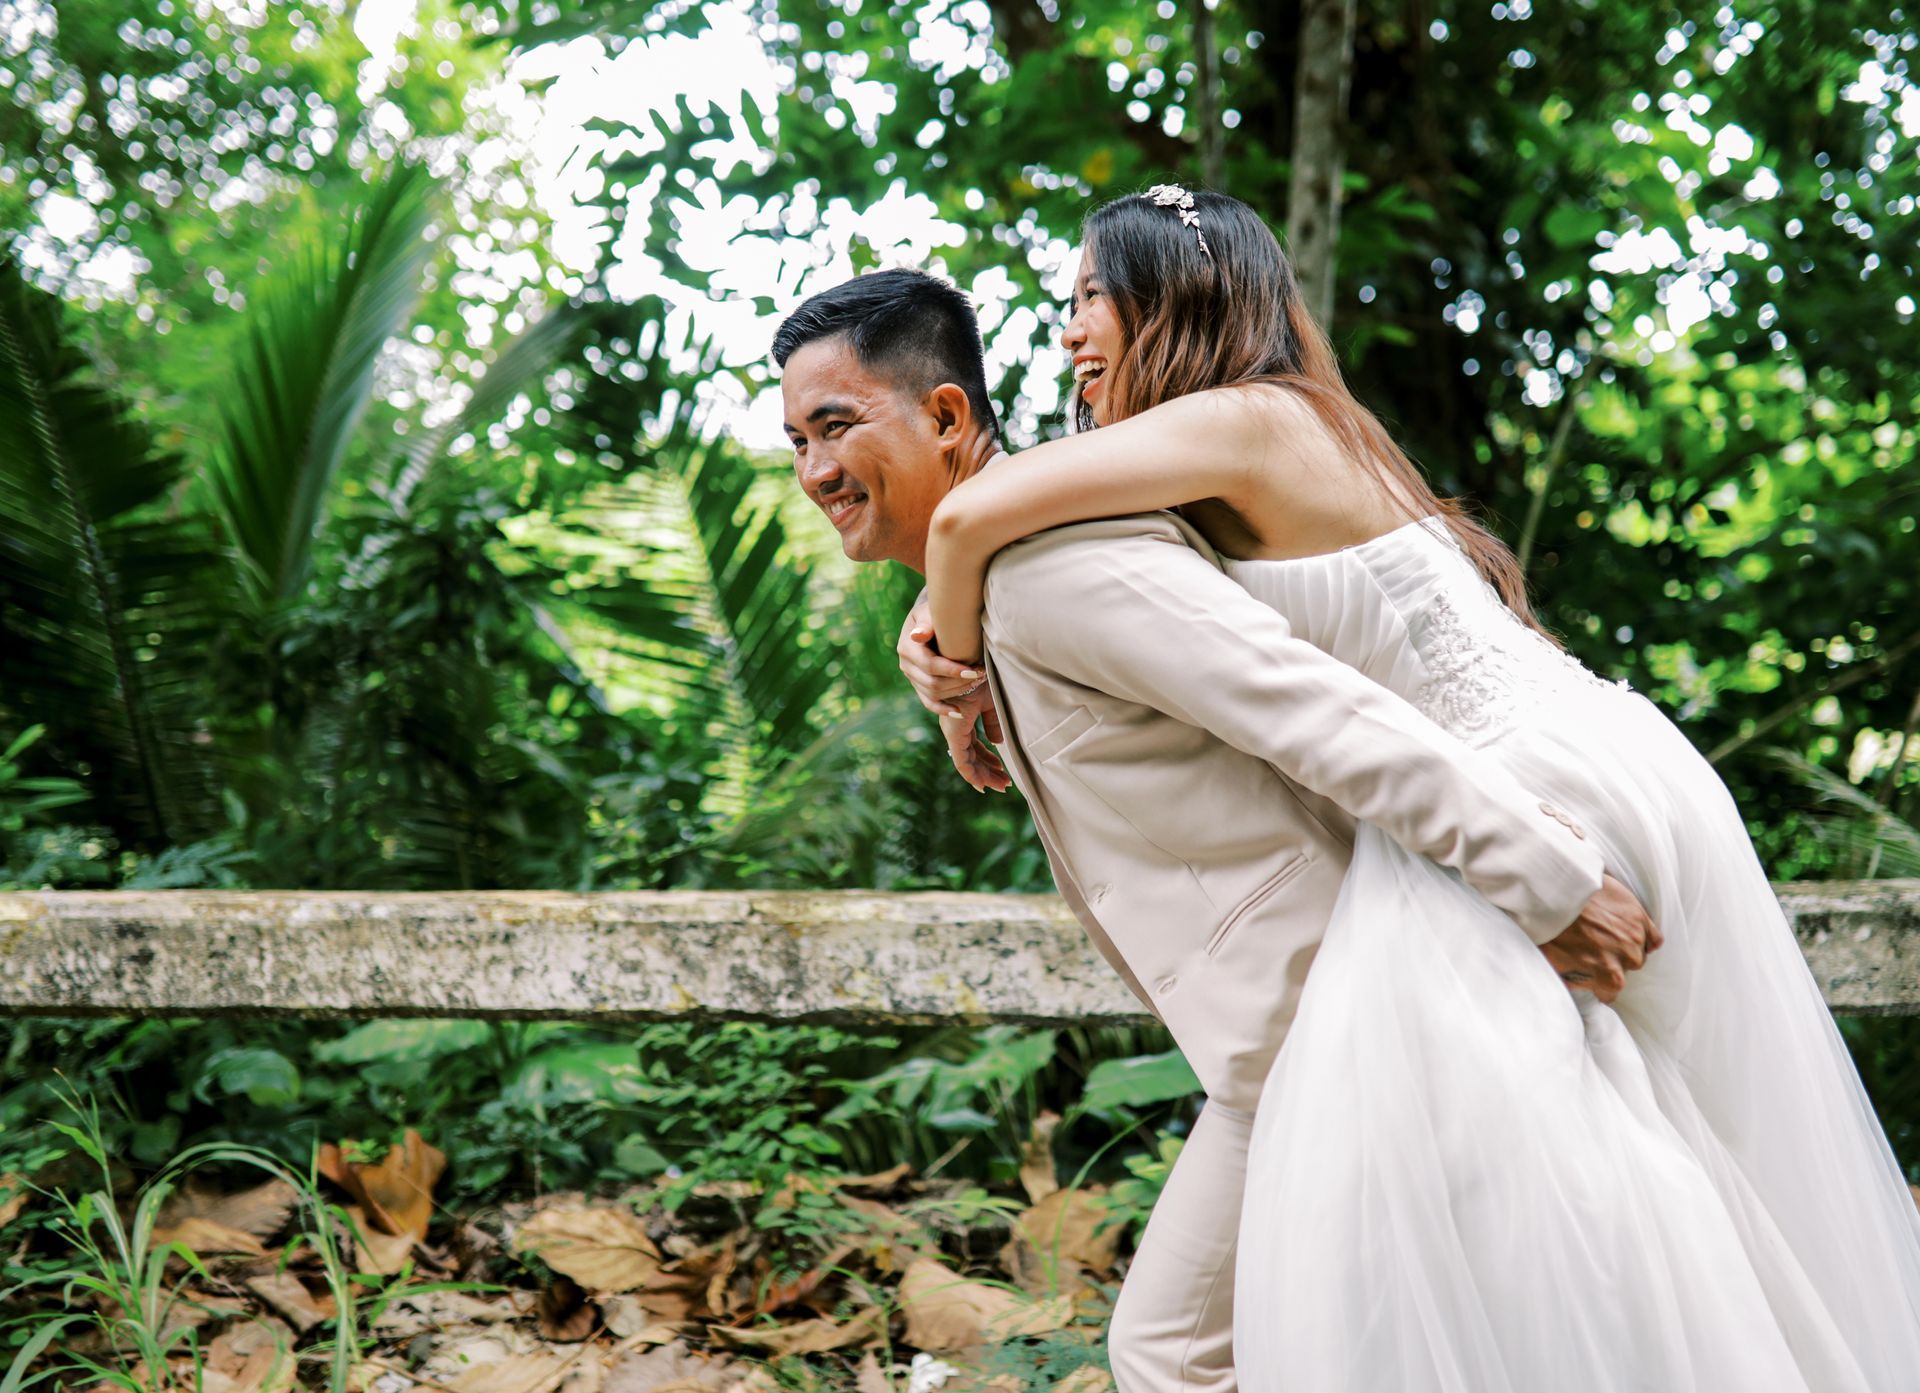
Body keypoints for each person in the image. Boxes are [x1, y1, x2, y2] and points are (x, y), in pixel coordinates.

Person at [893, 187, 1920, 1389]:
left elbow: (968, 514)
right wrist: (948, 637)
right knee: (1633, 1162)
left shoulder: (1242, 421)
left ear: (1176, 297)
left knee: (1510, 1215)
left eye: (1090, 297)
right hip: (1579, 759)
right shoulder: (1285, 426)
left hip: (1528, 788)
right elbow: (1034, 544)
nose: (1070, 331)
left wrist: (953, 662)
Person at [772, 264, 1662, 1392]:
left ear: (947, 416)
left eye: (835, 427)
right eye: (795, 441)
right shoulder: (1003, 585)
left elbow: (1315, 712)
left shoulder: (1052, 570)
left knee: (1187, 1352)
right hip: (1289, 1047)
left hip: (1354, 1018)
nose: (813, 470)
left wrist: (1550, 879)